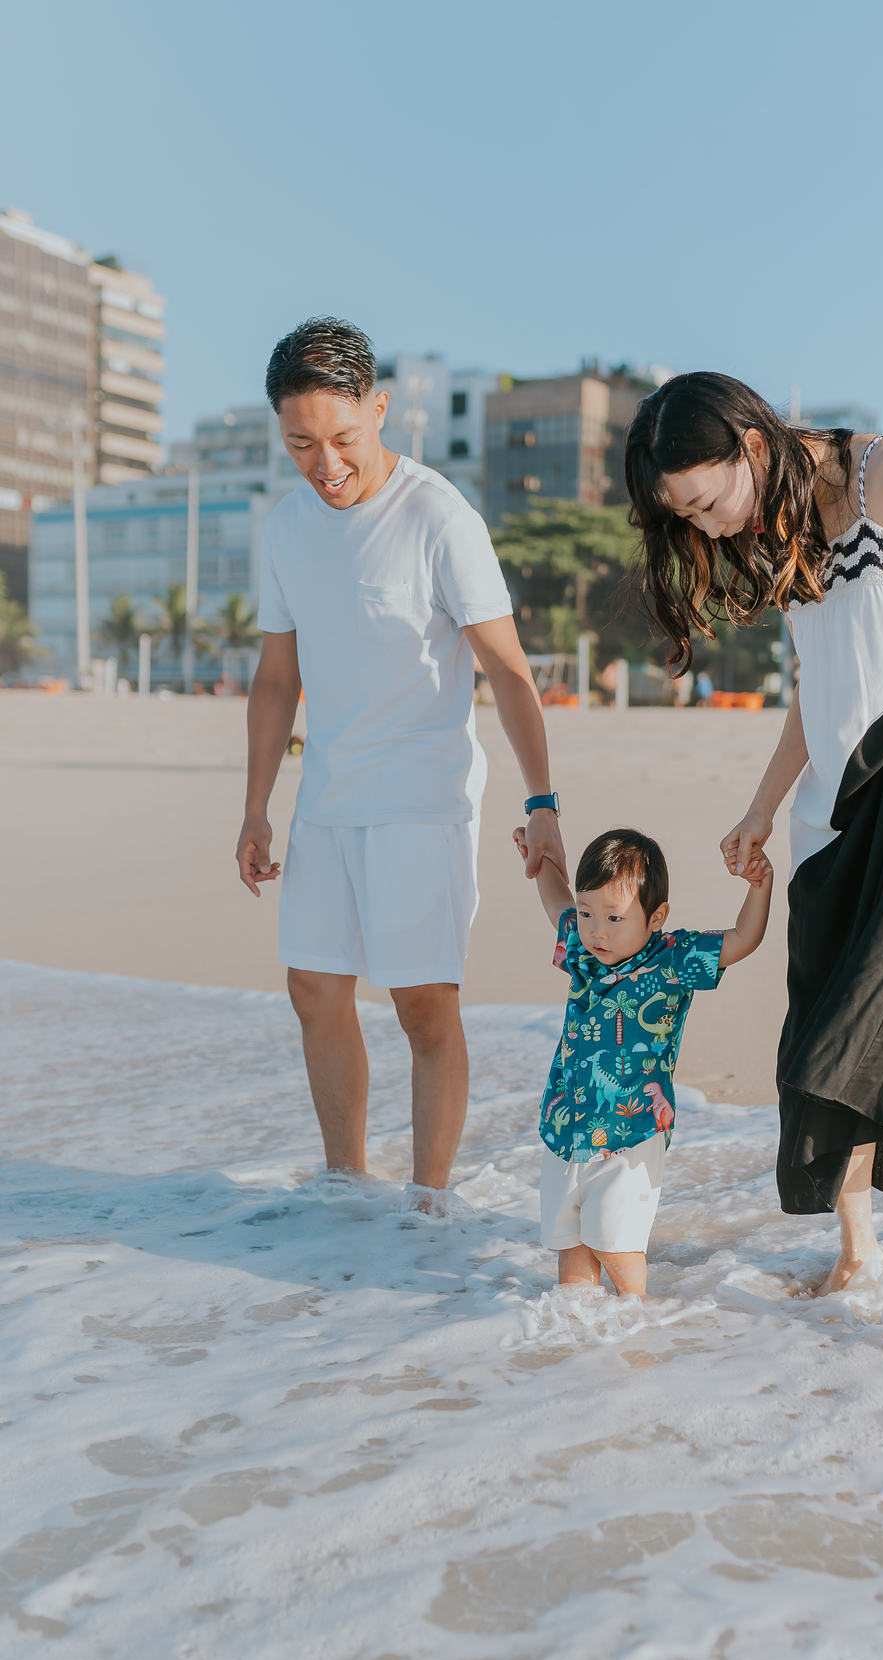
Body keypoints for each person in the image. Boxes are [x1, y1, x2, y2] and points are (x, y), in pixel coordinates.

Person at [624, 372, 883, 1309]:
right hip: (836, 803)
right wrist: (761, 807)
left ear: (752, 441)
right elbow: (818, 690)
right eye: (684, 516)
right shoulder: (782, 528)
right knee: (824, 1026)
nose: (706, 526)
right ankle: (860, 1253)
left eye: (706, 499)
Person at [236, 317, 566, 1209]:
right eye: (301, 443)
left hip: (423, 798)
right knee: (313, 988)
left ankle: (428, 1206)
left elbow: (506, 669)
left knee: (422, 1005)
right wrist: (257, 806)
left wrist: (543, 801)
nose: (326, 463)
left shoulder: (439, 517)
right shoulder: (286, 525)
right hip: (328, 796)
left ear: (381, 410)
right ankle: (347, 1183)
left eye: (343, 438)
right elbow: (276, 679)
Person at [513, 825, 772, 1296]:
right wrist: (543, 860)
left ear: (656, 918)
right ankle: (577, 1338)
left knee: (616, 1243)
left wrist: (760, 888)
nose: (595, 931)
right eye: (588, 913)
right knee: (571, 1248)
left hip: (631, 1130)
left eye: (614, 919)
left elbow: (741, 939)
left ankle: (636, 1326)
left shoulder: (673, 959)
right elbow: (557, 905)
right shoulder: (584, 950)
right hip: (565, 1123)